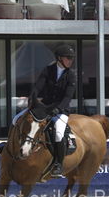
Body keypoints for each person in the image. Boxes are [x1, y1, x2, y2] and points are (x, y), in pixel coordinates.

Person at [11, 44, 77, 178]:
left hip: (61, 109)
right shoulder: (48, 70)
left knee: (58, 132)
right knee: (16, 119)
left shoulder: (71, 75)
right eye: (68, 58)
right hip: (45, 107)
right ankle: (9, 147)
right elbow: (38, 86)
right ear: (59, 58)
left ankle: (58, 164)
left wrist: (58, 109)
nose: (70, 61)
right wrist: (32, 99)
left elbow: (68, 96)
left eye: (72, 58)